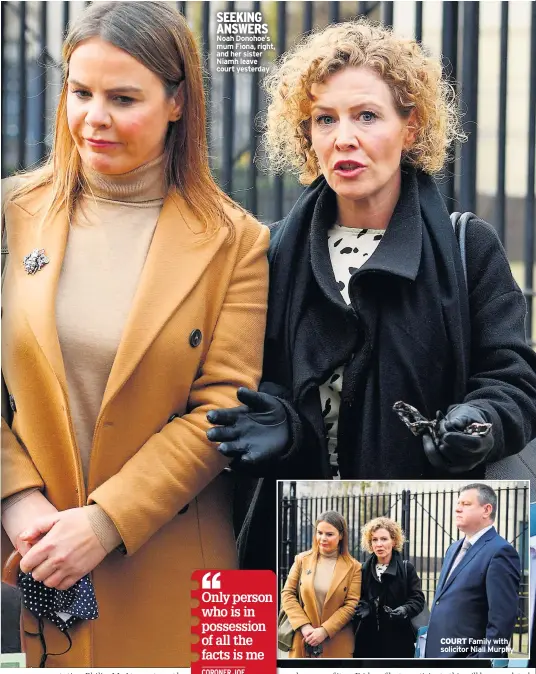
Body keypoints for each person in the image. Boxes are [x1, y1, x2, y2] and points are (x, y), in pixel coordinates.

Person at [206, 18, 536, 572]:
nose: (344, 138)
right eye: (324, 119)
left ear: (411, 126)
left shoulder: (465, 246)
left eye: (366, 116)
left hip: (422, 539)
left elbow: (514, 379)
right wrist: (285, 424)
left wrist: (478, 422)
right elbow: (249, 377)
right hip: (296, 546)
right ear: (305, 133)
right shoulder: (273, 251)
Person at [1, 2, 269, 667]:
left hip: (182, 570)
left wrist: (105, 522)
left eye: (123, 97)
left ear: (178, 102)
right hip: (30, 556)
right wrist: (14, 495)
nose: (95, 116)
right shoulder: (12, 213)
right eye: (81, 92)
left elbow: (225, 408)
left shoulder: (238, 242)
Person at [425, 484, 521, 658]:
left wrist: (479, 662)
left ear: (486, 510)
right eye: (458, 503)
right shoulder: (453, 548)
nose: (457, 509)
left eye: (466, 504)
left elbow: (501, 622)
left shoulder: (500, 552)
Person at [280, 510, 361, 658]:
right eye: (319, 533)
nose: (323, 538)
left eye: (329, 534)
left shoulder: (354, 567)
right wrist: (304, 626)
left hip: (337, 643)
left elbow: (351, 605)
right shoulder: (301, 560)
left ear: (341, 536)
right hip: (303, 639)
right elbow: (287, 594)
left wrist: (324, 631)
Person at [352, 517, 425, 658]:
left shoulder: (406, 568)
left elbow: (418, 600)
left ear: (394, 541)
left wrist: (404, 609)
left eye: (384, 539)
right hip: (367, 642)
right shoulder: (362, 570)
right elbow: (354, 598)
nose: (379, 544)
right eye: (374, 540)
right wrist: (364, 606)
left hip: (399, 642)